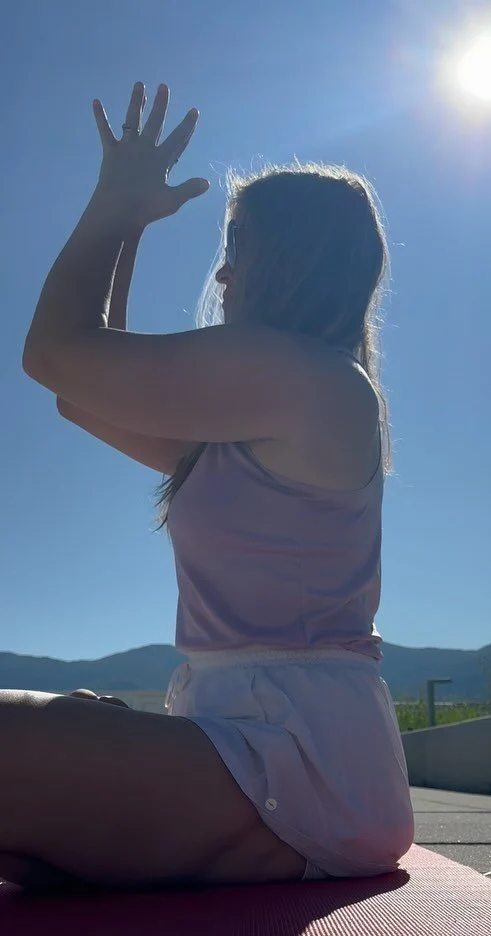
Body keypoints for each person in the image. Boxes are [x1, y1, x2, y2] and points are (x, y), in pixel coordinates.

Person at [2, 82, 414, 891]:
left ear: (294, 260)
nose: (223, 272)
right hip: (256, 748)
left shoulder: (309, 382)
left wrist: (115, 205)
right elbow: (80, 394)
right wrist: (129, 229)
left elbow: (54, 354)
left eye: (240, 245)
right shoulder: (268, 410)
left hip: (300, 767)